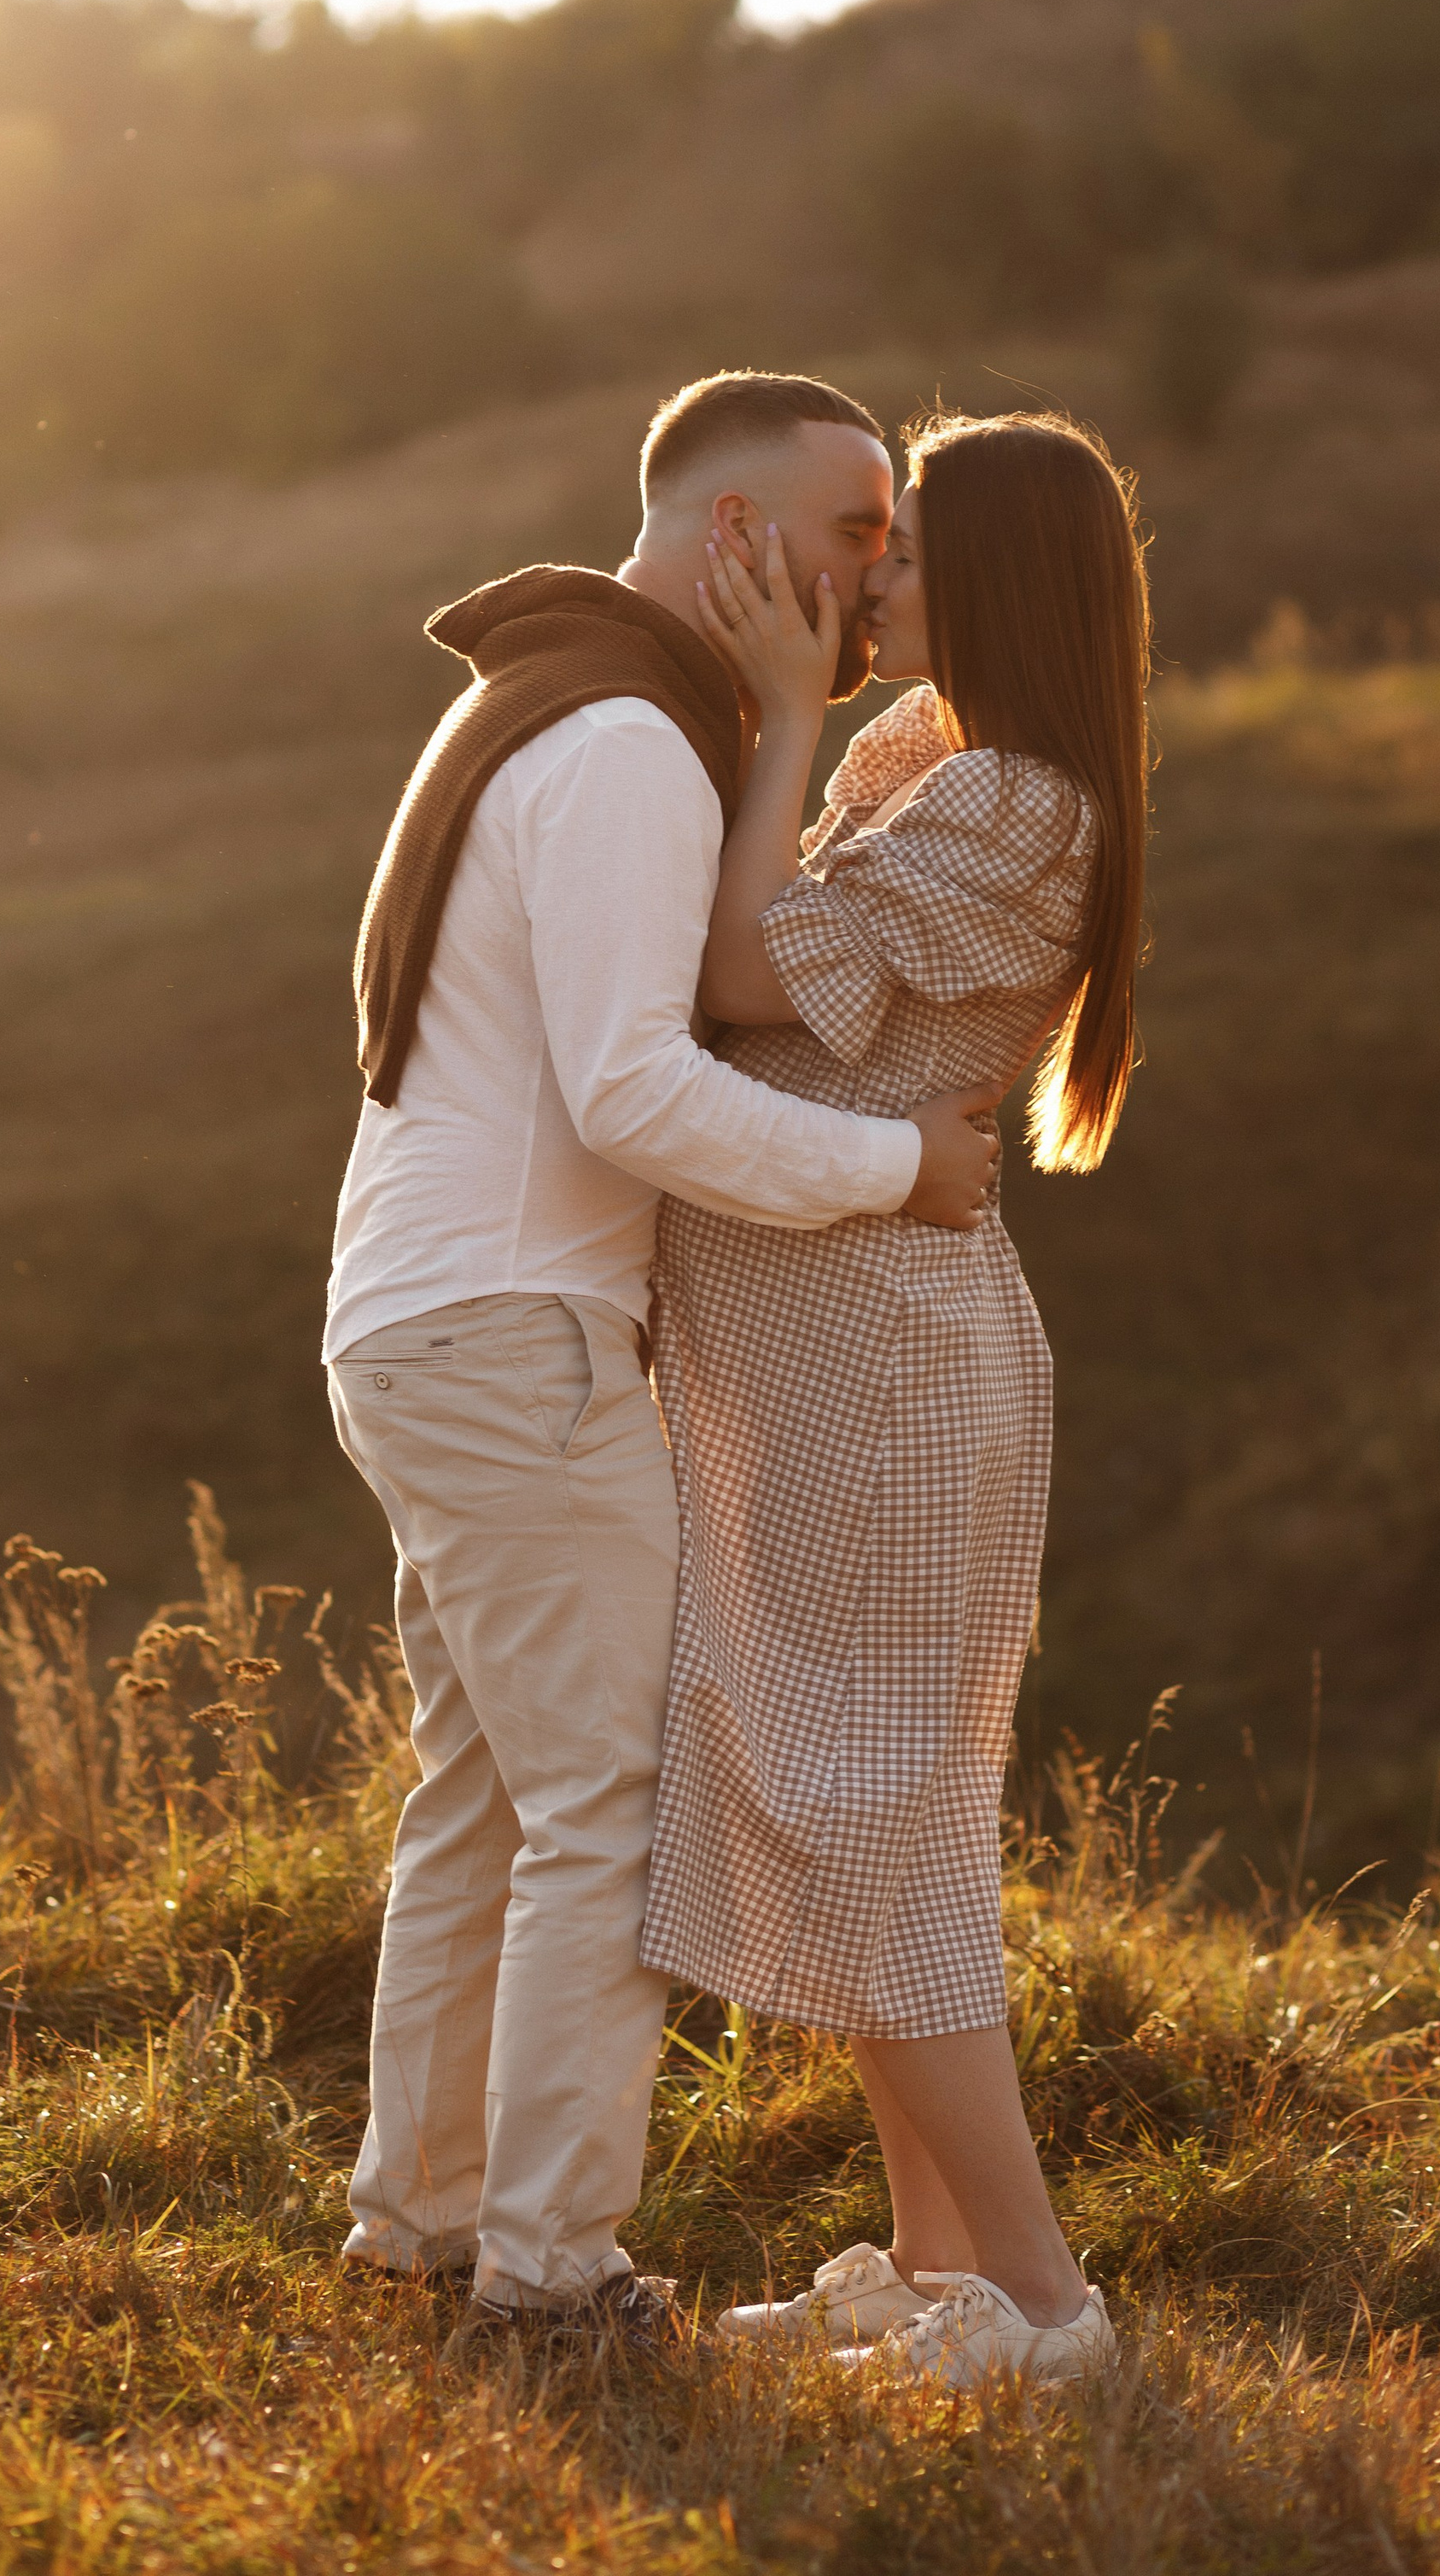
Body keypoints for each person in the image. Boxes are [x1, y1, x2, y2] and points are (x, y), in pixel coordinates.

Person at [322, 370, 1003, 2342]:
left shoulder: (540, 696)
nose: (873, 573)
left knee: (482, 1799)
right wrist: (896, 1170)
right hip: (513, 1338)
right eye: (852, 528)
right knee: (612, 1813)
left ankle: (420, 2229)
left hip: (422, 1317)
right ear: (733, 536)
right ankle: (547, 2281)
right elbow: (631, 1084)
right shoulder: (622, 741)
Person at [642, 407, 1151, 2390]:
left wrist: (772, 714)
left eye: (909, 554)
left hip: (877, 1369)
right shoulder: (927, 762)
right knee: (867, 1809)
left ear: (1002, 581)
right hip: (818, 1360)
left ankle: (1037, 2308)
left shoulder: (1019, 803)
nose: (873, 581)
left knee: (870, 1818)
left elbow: (740, 967)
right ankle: (940, 2278)